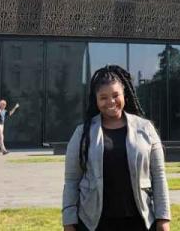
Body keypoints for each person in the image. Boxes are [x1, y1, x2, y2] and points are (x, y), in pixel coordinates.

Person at [62, 65, 171, 231]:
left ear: (124, 95)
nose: (111, 102)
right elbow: (71, 180)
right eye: (103, 97)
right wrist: (68, 220)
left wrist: (163, 218)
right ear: (96, 100)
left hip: (139, 221)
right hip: (94, 223)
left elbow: (159, 175)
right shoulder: (82, 134)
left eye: (115, 95)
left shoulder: (146, 128)